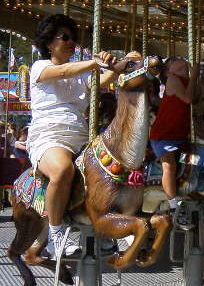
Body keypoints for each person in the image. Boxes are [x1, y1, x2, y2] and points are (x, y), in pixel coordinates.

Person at [27, 13, 128, 259]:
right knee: (63, 170)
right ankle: (55, 235)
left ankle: (106, 230)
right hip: (51, 138)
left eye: (73, 38)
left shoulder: (80, 73)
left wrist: (117, 66)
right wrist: (93, 63)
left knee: (111, 172)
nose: (71, 41)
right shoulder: (41, 67)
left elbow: (100, 81)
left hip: (80, 138)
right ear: (50, 43)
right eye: (65, 37)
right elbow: (62, 73)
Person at [149, 57, 199, 218]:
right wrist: (195, 76)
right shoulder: (173, 80)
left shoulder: (188, 81)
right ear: (168, 71)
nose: (182, 60)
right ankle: (174, 205)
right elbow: (188, 99)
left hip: (181, 135)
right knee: (169, 165)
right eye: (176, 60)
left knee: (195, 161)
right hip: (164, 136)